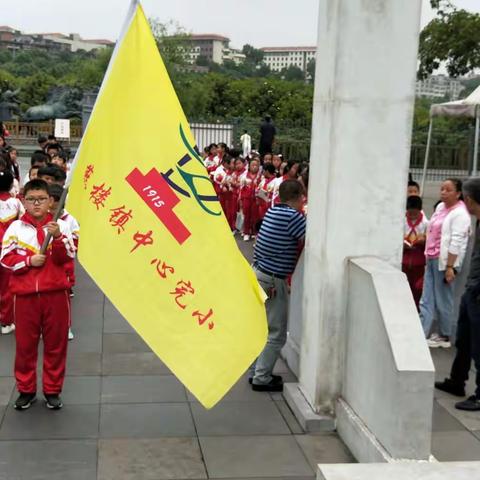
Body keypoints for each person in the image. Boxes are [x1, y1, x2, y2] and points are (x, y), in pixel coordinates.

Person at [1, 179, 75, 410]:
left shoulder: (60, 227)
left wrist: (60, 239)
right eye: (31, 199)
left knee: (56, 344)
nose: (36, 204)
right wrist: (28, 261)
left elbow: (69, 258)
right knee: (25, 346)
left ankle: (52, 390)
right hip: (25, 298)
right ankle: (26, 390)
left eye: (41, 199)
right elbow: (5, 259)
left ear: (51, 201)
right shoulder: (16, 228)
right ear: (24, 200)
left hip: (55, 295)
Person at [250, 179, 306, 392]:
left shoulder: (274, 211)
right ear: (299, 197)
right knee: (276, 333)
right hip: (273, 279)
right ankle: (261, 378)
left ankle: (256, 370)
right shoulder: (293, 217)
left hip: (259, 273)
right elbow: (313, 238)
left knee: (263, 329)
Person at [435, 177, 480, 411]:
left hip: (478, 291)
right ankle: (456, 380)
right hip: (472, 289)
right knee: (463, 338)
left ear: (469, 198)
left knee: (478, 343)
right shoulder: (477, 220)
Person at [419, 178, 471, 348]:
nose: (443, 192)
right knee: (427, 297)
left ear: (458, 193)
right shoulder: (441, 207)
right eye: (442, 189)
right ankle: (422, 331)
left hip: (445, 261)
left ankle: (444, 334)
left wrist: (450, 267)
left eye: (448, 190)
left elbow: (456, 241)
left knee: (443, 298)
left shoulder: (460, 214)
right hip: (432, 257)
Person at [0, 170, 24, 335]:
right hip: (7, 249)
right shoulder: (16, 203)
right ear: (11, 185)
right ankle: (6, 322)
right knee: (6, 287)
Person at [402, 195, 428, 309]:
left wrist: (424, 240)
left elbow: (430, 240)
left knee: (418, 289)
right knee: (404, 286)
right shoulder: (402, 221)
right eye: (409, 213)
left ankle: (416, 309)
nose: (412, 216)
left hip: (419, 261)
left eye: (415, 214)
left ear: (419, 211)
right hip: (405, 259)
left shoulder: (426, 223)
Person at [240, 158, 261, 241]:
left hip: (255, 199)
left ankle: (255, 232)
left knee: (255, 216)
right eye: (253, 165)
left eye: (256, 165)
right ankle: (246, 232)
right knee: (247, 215)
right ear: (249, 166)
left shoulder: (260, 176)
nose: (255, 167)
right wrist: (241, 200)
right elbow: (241, 189)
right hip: (246, 199)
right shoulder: (244, 176)